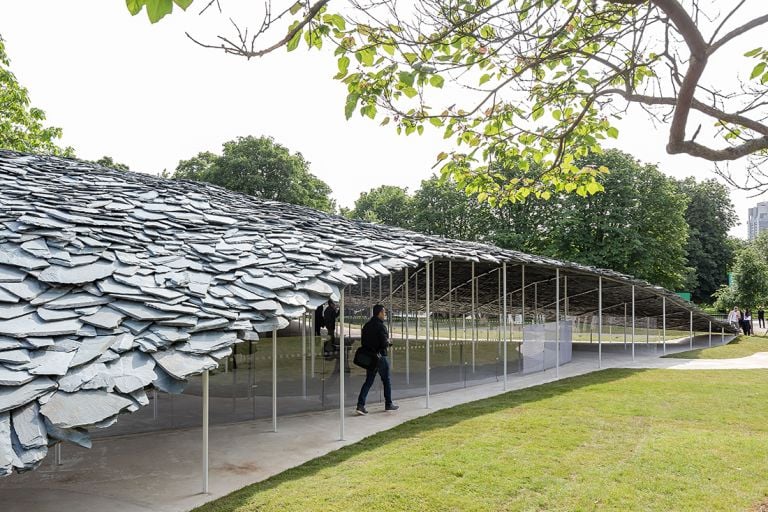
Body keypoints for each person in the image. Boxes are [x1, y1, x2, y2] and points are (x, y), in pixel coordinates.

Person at [356, 304, 398, 415]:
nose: (385, 315)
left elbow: (363, 342)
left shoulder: (367, 326)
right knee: (386, 380)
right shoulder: (381, 326)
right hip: (380, 357)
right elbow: (384, 343)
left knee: (368, 381)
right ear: (379, 313)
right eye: (384, 312)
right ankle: (388, 403)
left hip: (370, 358)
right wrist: (388, 342)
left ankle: (360, 405)